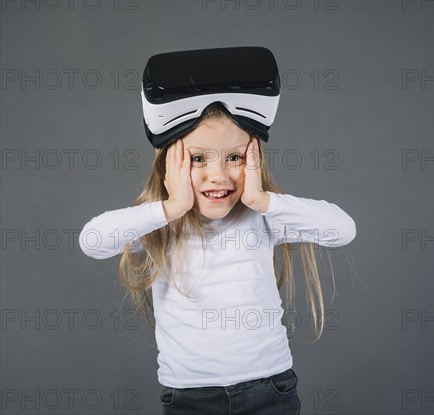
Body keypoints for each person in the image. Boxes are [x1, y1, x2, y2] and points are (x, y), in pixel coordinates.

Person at [78, 101, 356, 414]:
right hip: (189, 396)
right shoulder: (160, 226)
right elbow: (92, 240)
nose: (218, 175)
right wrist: (172, 206)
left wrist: (262, 199)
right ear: (169, 165)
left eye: (234, 158)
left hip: (270, 388)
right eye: (198, 159)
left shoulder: (262, 218)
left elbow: (342, 230)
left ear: (254, 160)